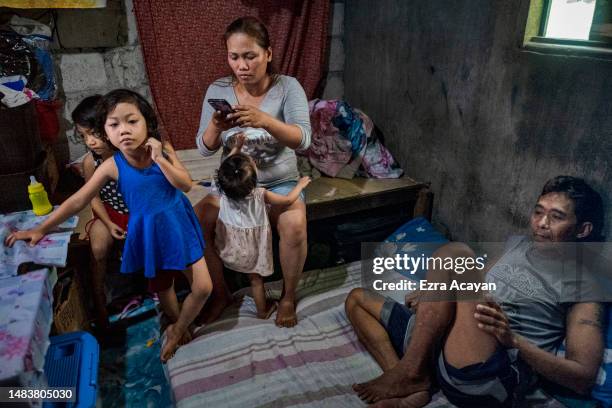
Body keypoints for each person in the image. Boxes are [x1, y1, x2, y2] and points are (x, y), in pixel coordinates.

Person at [345, 176, 606, 407]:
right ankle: (411, 378)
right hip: (443, 344)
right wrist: (432, 292)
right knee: (357, 299)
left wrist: (513, 340)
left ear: (583, 230)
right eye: (538, 212)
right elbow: (475, 279)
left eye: (556, 217)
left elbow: (582, 378)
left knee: (456, 253)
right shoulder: (518, 245)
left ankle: (412, 371)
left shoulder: (584, 286)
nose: (541, 224)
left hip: (489, 370)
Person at [5, 89, 212, 362]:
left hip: (177, 225)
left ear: (147, 124)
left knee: (203, 288)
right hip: (150, 233)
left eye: (132, 121)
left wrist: (160, 158)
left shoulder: (162, 149)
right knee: (164, 286)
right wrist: (41, 228)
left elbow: (184, 185)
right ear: (105, 131)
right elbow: (80, 199)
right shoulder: (111, 166)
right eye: (114, 124)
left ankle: (179, 327)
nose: (124, 130)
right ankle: (176, 326)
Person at [194, 16, 312, 327]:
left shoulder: (287, 87)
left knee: (295, 225)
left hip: (281, 181)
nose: (242, 65)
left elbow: (304, 138)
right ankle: (220, 294)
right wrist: (215, 127)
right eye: (234, 57)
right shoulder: (217, 89)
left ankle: (287, 296)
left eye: (250, 56)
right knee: (196, 221)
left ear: (268, 54)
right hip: (234, 184)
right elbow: (205, 149)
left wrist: (265, 121)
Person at [215, 133, 311, 319]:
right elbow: (288, 199)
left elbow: (224, 167)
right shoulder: (260, 193)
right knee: (258, 281)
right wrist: (300, 184)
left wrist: (237, 148)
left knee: (253, 279)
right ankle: (262, 311)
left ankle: (251, 305)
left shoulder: (224, 190)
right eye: (252, 163)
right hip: (253, 246)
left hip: (232, 245)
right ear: (254, 179)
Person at [71, 95, 130, 331]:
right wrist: (108, 222)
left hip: (138, 213)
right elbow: (93, 198)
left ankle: (160, 290)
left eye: (93, 134)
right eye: (84, 136)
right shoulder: (90, 162)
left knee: (154, 236)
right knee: (97, 245)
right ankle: (99, 302)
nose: (90, 142)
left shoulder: (128, 154)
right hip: (108, 213)